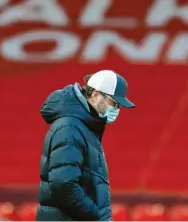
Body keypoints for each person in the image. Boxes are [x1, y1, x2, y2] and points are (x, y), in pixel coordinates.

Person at [36, 70, 135, 221]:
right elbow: (63, 184)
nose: (116, 110)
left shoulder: (83, 127)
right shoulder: (70, 127)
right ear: (95, 95)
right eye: (114, 103)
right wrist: (94, 215)